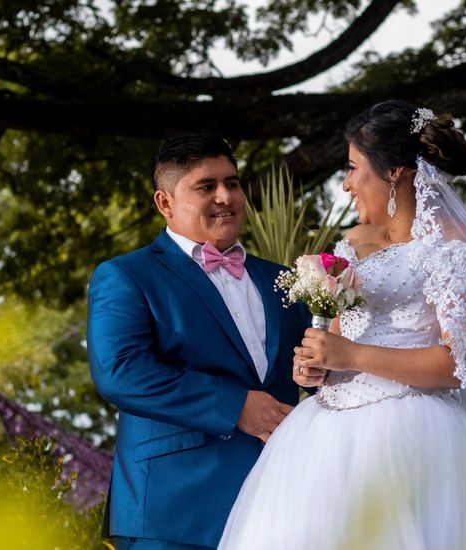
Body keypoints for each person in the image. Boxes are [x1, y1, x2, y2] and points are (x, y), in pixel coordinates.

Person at [219, 101, 466, 549]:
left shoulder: (456, 250)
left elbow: (459, 363)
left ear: (395, 171)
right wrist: (320, 367)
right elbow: (340, 340)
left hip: (416, 435)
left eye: (353, 167)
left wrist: (352, 356)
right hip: (321, 440)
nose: (345, 184)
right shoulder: (353, 245)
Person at [87, 130, 310, 550]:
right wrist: (235, 406)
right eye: (206, 187)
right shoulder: (126, 276)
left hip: (281, 502)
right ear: (165, 203)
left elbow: (314, 373)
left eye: (232, 182)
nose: (225, 196)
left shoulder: (285, 279)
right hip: (176, 512)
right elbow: (120, 373)